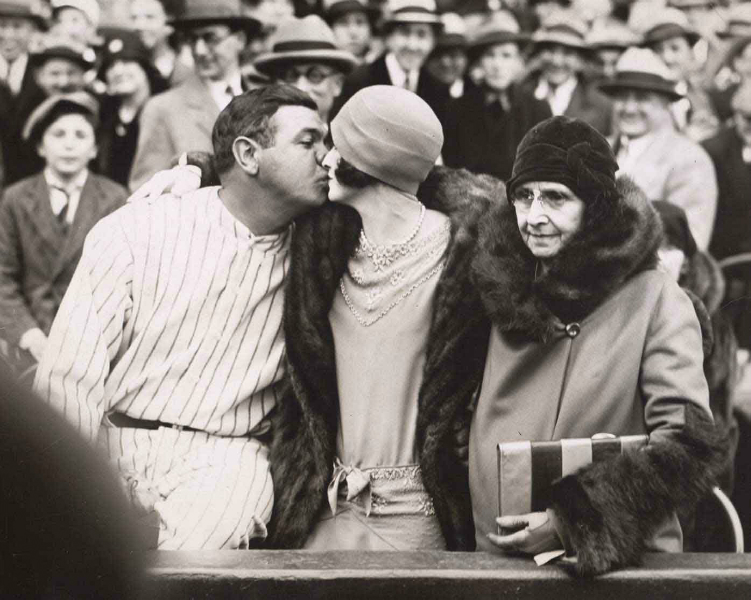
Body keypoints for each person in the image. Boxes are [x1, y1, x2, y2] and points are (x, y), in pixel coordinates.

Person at [34, 84, 327, 550]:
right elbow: (70, 379)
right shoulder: (140, 226)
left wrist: (196, 165)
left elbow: (408, 177)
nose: (327, 158)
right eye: (309, 142)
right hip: (114, 437)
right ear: (248, 155)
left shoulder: (321, 254)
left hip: (227, 455)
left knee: (189, 558)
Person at [469, 115, 724, 576]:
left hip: (618, 570)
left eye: (556, 197)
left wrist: (574, 520)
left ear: (598, 208)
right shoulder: (495, 289)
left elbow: (687, 440)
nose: (534, 216)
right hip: (499, 563)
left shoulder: (656, 298)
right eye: (523, 196)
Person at [268, 85, 495, 550]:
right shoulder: (323, 244)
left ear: (374, 161)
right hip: (326, 513)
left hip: (420, 517)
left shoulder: (464, 253)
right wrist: (193, 167)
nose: (325, 159)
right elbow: (255, 175)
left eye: (339, 147)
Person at [0, 92, 127, 376]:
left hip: (92, 343)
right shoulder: (16, 199)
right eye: (58, 134)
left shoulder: (114, 198)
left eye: (81, 135)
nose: (69, 144)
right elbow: (2, 278)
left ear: (94, 149)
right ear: (41, 147)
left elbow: (122, 282)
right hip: (28, 339)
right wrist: (28, 334)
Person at [129, 0, 261, 190]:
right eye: (192, 39)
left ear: (239, 39)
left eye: (210, 38)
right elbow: (145, 191)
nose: (199, 50)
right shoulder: (162, 108)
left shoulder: (264, 100)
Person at [599, 47, 718, 251]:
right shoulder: (600, 149)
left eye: (642, 98)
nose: (629, 108)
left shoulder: (688, 159)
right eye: (622, 97)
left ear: (665, 104)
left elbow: (689, 245)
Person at [442, 12, 551, 181]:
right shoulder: (456, 110)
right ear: (479, 61)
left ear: (518, 61)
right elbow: (452, 170)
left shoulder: (538, 110)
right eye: (490, 55)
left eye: (506, 55)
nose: (497, 65)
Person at [332, 0, 450, 126]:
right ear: (388, 37)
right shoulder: (359, 81)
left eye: (421, 35)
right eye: (405, 33)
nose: (412, 45)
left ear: (433, 42)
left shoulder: (439, 90)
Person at [97, 29, 169, 187]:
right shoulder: (104, 111)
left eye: (127, 62)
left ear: (144, 67)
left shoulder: (165, 106)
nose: (118, 71)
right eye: (111, 65)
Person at [253, 15, 358, 123]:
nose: (301, 88)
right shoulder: (258, 138)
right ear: (273, 84)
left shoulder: (347, 139)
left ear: (337, 84)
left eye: (315, 76)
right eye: (290, 76)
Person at [522, 12, 613, 135]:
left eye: (567, 53)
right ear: (539, 53)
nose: (557, 61)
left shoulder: (600, 105)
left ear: (580, 60)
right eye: (550, 50)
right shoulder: (520, 96)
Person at [639, 7, 720, 142]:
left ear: (690, 52)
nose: (667, 58)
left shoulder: (701, 96)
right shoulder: (641, 99)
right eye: (658, 50)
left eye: (675, 48)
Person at [129, 0, 193, 86]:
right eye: (134, 18)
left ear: (170, 24)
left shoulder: (186, 74)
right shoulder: (127, 71)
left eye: (149, 17)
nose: (139, 26)